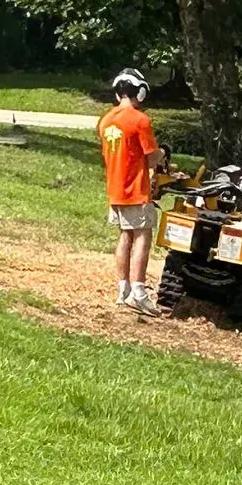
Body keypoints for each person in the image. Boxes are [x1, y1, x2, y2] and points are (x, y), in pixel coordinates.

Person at [98, 67, 167, 310]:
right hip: (136, 189)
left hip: (115, 189)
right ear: (140, 92)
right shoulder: (140, 120)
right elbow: (151, 158)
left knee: (124, 236)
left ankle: (122, 288)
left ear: (117, 93)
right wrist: (163, 154)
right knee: (142, 236)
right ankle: (138, 291)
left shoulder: (106, 120)